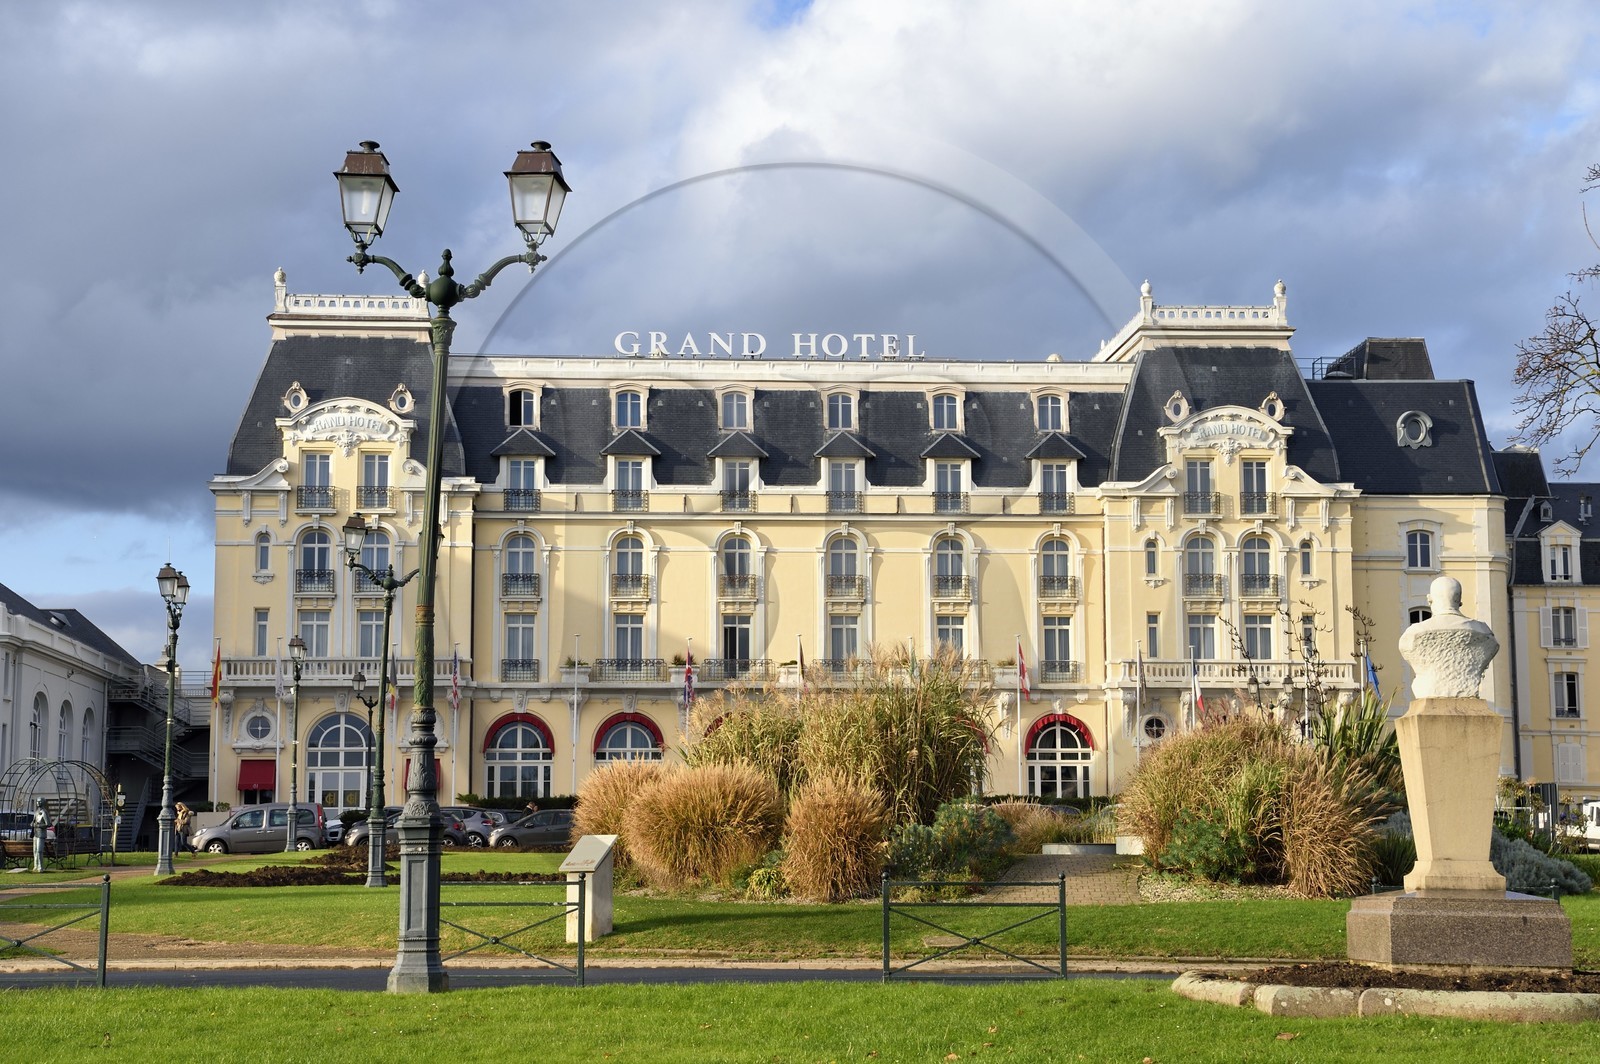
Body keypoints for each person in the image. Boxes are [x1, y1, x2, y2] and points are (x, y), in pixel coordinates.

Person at [31, 800, 47, 873]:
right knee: (35, 851)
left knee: (39, 851)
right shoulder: (36, 812)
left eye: (40, 801)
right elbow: (33, 822)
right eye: (37, 801)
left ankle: (40, 867)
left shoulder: (44, 812)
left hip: (41, 834)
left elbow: (48, 824)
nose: (38, 803)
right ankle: (35, 866)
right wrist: (32, 824)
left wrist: (39, 825)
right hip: (35, 833)